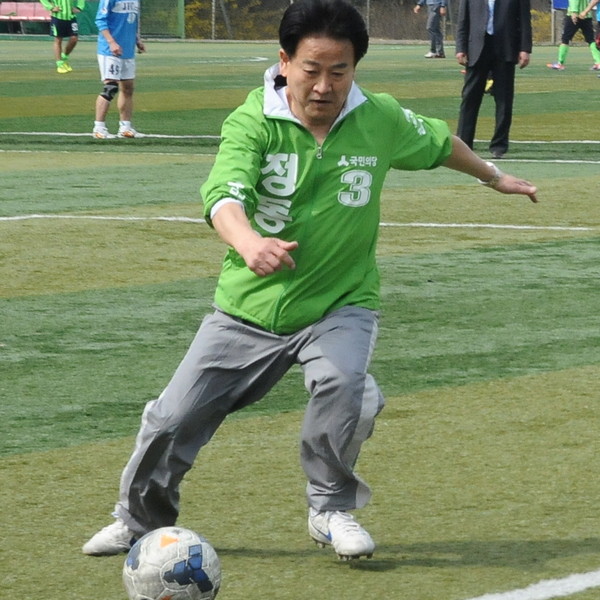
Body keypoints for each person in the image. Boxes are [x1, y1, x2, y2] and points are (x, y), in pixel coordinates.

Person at [82, 0, 537, 562]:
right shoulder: (251, 121)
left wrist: (495, 177)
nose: (324, 85)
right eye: (311, 70)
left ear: (355, 69)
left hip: (341, 303)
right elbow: (222, 195)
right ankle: (138, 521)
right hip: (249, 307)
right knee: (172, 419)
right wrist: (248, 243)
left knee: (345, 386)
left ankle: (328, 508)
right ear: (284, 61)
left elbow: (443, 143)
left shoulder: (382, 118)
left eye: (339, 72)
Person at [455, 0, 532, 160]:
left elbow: (524, 20)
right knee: (470, 98)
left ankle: (499, 146)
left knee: (504, 99)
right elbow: (463, 20)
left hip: (505, 47)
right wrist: (461, 48)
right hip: (476, 48)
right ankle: (464, 143)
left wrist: (525, 49)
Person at [92, 0, 146, 140]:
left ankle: (125, 127)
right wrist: (111, 42)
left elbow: (131, 21)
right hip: (110, 51)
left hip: (127, 49)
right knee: (110, 87)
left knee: (128, 88)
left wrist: (137, 40)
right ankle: (99, 128)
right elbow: (100, 20)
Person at [547, 0, 600, 71]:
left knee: (565, 39)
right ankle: (598, 62)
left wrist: (574, 12)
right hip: (587, 15)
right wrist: (586, 11)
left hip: (575, 14)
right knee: (590, 39)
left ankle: (560, 63)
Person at [40, 0, 85, 74]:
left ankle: (64, 56)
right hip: (58, 17)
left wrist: (79, 7)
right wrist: (51, 8)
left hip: (71, 17)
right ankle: (59, 64)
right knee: (58, 40)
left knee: (74, 38)